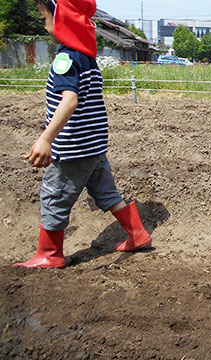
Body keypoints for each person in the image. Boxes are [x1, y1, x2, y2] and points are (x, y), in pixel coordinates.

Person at [14, 0, 151, 269]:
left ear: (62, 21)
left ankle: (50, 254)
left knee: (54, 195)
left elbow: (70, 100)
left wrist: (45, 138)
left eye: (45, 19)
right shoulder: (88, 58)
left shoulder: (66, 59)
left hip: (73, 148)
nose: (44, 25)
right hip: (94, 146)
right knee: (108, 194)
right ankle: (137, 234)